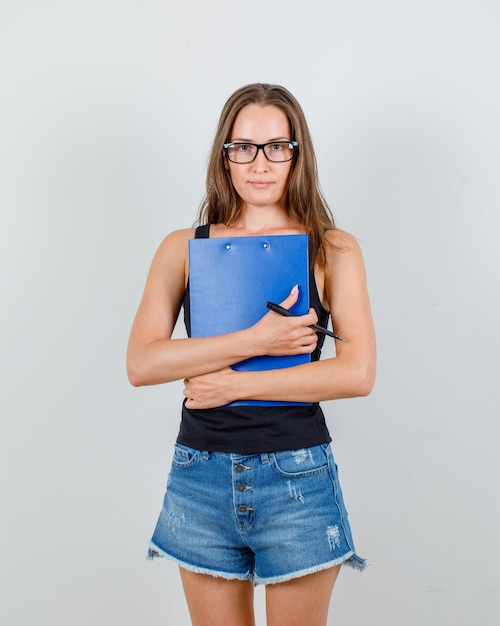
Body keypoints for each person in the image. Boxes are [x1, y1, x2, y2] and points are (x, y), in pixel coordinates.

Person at [127, 83, 376, 626]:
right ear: (225, 156)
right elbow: (142, 363)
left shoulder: (331, 248)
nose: (259, 163)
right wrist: (257, 342)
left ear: (296, 154)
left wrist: (235, 383)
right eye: (242, 147)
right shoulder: (182, 247)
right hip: (199, 477)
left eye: (275, 147)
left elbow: (357, 374)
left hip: (298, 480)